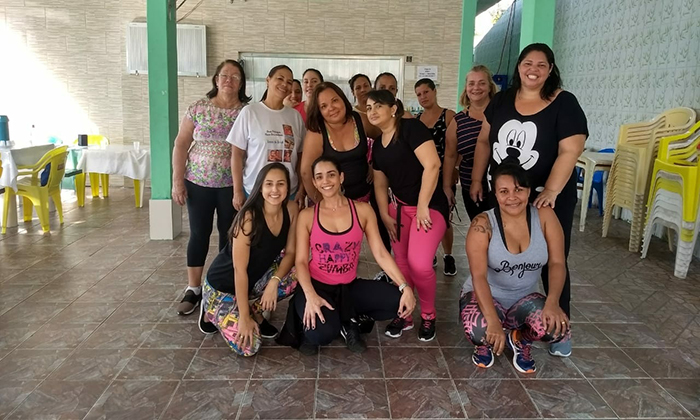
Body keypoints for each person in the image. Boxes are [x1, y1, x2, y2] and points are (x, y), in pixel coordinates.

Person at [469, 43, 588, 357]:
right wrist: (478, 179)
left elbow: (571, 150)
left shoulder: (564, 102)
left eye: (541, 65)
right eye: (527, 63)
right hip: (505, 194)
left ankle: (560, 325)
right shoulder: (502, 100)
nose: (533, 70)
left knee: (554, 259)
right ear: (519, 66)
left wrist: (550, 191)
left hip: (548, 198)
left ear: (550, 69)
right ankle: (499, 313)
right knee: (497, 252)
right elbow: (484, 141)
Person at [284, 156, 416, 355]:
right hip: (317, 287)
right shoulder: (307, 216)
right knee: (321, 335)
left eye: (331, 175)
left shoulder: (363, 211)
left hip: (349, 287)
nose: (326, 181)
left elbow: (380, 253)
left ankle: (348, 319)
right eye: (319, 177)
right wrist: (310, 296)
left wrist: (404, 286)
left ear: (341, 177)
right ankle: (329, 317)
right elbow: (301, 262)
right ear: (314, 183)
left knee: (397, 301)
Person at [460, 159, 570, 373]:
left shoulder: (544, 216)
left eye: (518, 189)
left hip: (524, 300)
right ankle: (485, 343)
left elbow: (557, 262)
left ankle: (519, 339)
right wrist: (492, 321)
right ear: (495, 194)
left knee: (556, 329)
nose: (512, 197)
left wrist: (552, 302)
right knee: (479, 330)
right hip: (488, 296)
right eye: (504, 191)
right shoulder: (482, 224)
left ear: (529, 191)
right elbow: (478, 276)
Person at [368, 89, 449, 342]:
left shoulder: (411, 129)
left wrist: (423, 204)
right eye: (368, 108)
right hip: (400, 209)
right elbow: (380, 183)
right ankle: (405, 313)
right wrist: (384, 213)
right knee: (401, 263)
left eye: (378, 106)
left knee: (420, 264)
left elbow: (433, 165)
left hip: (429, 207)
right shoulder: (378, 145)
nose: (372, 111)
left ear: (393, 108)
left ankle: (428, 315)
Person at [172, 59, 251, 316]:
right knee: (199, 234)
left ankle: (220, 287)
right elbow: (181, 144)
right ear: (216, 79)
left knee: (229, 237)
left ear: (241, 83)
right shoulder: (198, 108)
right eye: (224, 75)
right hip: (198, 184)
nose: (229, 80)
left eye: (235, 77)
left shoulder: (246, 112)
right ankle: (193, 288)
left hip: (232, 186)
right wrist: (177, 180)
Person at [201, 163, 299, 356]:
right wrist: (244, 319)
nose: (274, 190)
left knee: (298, 275)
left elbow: (291, 253)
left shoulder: (291, 209)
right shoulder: (249, 217)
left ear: (288, 187)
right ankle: (211, 311)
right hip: (222, 286)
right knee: (248, 347)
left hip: (253, 281)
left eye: (280, 184)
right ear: (260, 187)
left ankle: (253, 310)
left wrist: (274, 282)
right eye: (269, 184)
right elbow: (239, 271)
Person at [300, 82, 392, 251]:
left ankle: (385, 266)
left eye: (335, 100)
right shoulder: (317, 132)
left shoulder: (359, 119)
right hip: (330, 200)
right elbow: (306, 172)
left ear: (343, 99)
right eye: (324, 106)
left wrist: (374, 165)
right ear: (318, 111)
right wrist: (321, 202)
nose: (331, 108)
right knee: (335, 247)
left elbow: (384, 138)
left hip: (363, 194)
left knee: (379, 236)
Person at [227, 64, 307, 212]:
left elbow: (301, 156)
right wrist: (237, 190)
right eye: (280, 79)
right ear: (268, 80)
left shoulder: (295, 116)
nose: (285, 84)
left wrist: (302, 188)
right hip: (254, 191)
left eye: (289, 82)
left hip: (288, 192)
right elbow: (237, 155)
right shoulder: (250, 112)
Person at [443, 65, 498, 221]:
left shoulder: (501, 113)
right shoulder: (458, 121)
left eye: (482, 83)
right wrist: (447, 187)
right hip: (471, 188)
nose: (476, 88)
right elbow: (450, 156)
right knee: (480, 228)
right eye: (471, 83)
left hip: (502, 186)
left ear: (490, 87)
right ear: (466, 88)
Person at [415, 78, 457, 276]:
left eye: (426, 92)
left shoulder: (448, 116)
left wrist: (454, 170)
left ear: (434, 92)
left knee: (445, 217)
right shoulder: (417, 120)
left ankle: (448, 255)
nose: (423, 97)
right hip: (423, 177)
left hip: (443, 175)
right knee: (426, 215)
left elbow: (455, 148)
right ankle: (429, 252)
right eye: (419, 94)